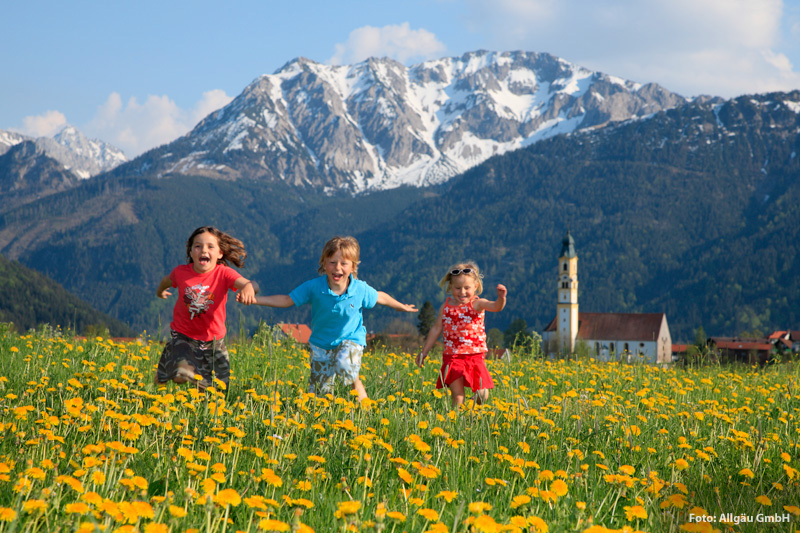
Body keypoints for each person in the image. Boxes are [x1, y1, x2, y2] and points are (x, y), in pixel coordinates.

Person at [243, 236, 417, 401]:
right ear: (324, 264)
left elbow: (380, 297)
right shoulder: (314, 287)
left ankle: (359, 391)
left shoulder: (360, 289)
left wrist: (401, 306)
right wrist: (256, 300)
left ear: (353, 267)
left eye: (344, 263)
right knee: (319, 397)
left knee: (345, 364)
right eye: (332, 262)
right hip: (321, 344)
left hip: (351, 339)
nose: (337, 268)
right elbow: (287, 300)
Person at [155, 226, 257, 391]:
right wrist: (160, 291)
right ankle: (171, 365)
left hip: (214, 341)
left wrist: (248, 289)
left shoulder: (224, 273)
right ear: (191, 252)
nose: (204, 250)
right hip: (184, 336)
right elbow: (166, 281)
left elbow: (248, 283)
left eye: (210, 246)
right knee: (182, 374)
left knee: (217, 391)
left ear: (220, 253)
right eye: (198, 246)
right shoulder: (181, 272)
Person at [416, 262, 507, 407]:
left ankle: (470, 409)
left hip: (475, 357)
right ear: (450, 286)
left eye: (467, 288)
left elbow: (495, 307)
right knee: (458, 397)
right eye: (457, 288)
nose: (462, 292)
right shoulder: (445, 307)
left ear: (476, 287)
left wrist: (501, 299)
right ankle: (456, 423)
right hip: (453, 357)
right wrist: (424, 352)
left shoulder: (477, 304)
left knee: (482, 394)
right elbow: (435, 329)